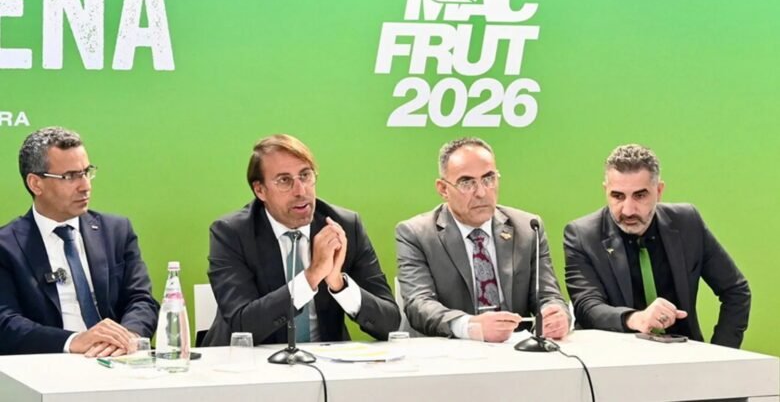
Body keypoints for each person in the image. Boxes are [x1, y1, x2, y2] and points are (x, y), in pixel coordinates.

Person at [203, 134, 400, 346]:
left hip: (324, 360)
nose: (301, 191)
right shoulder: (232, 233)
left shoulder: (344, 226)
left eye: (305, 176)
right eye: (284, 181)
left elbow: (390, 323)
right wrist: (311, 277)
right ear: (260, 190)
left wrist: (338, 283)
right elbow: (244, 327)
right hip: (248, 360)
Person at [564, 144, 750, 348]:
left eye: (640, 195)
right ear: (605, 191)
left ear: (659, 191)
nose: (628, 210)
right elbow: (587, 307)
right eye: (617, 196)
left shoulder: (687, 222)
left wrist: (719, 355)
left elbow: (735, 290)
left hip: (684, 355)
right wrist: (635, 319)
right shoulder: (582, 235)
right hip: (614, 358)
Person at [0, 127, 159, 356]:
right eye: (70, 176)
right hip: (50, 364)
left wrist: (128, 336)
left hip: (119, 358)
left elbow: (141, 299)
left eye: (86, 172)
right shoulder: (6, 246)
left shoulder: (116, 231)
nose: (85, 186)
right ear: (36, 183)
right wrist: (73, 341)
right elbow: (6, 323)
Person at [395, 137, 570, 343]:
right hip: (450, 352)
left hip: (516, 351)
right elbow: (419, 304)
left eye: (489, 179)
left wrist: (555, 315)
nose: (481, 192)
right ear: (443, 189)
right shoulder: (416, 234)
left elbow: (548, 295)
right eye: (467, 183)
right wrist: (471, 327)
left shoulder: (528, 228)